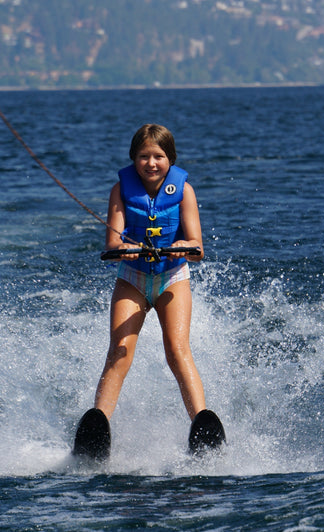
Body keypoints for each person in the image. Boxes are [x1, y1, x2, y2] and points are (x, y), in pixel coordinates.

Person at [74, 124, 223, 459]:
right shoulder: (120, 191)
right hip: (132, 278)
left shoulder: (185, 192)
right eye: (144, 156)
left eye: (158, 156)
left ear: (170, 158)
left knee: (177, 349)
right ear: (133, 158)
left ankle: (202, 424)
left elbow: (197, 247)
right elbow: (112, 243)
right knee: (120, 351)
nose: (151, 163)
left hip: (172, 278)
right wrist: (123, 247)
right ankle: (98, 426)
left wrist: (184, 245)